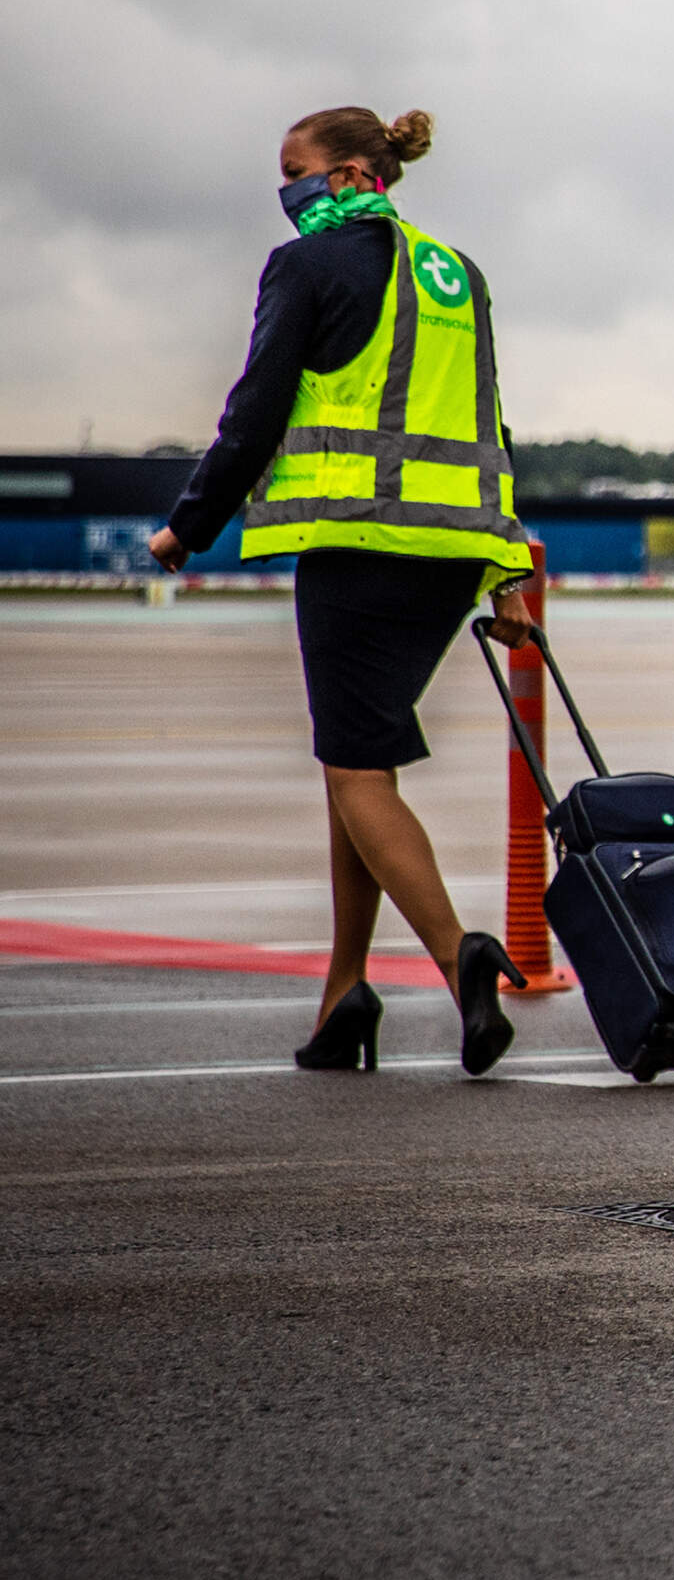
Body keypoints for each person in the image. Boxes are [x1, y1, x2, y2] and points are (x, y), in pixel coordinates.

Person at [151, 106, 540, 1077]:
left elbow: (257, 406)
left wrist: (187, 524)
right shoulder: (454, 275)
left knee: (358, 769)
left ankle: (460, 957)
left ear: (357, 172)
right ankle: (345, 989)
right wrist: (508, 572)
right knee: (354, 758)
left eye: (298, 170)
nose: (288, 190)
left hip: (360, 547)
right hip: (452, 552)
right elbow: (488, 429)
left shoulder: (307, 268)